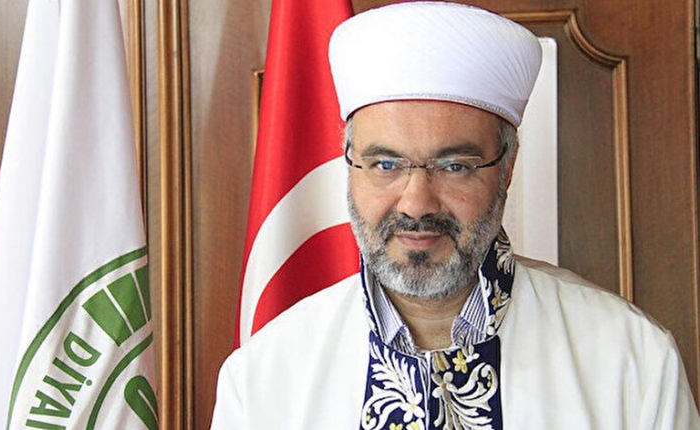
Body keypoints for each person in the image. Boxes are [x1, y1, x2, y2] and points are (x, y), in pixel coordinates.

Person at [211, 2, 700, 429]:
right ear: (350, 167)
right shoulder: (263, 377)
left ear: (506, 168)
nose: (416, 204)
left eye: (454, 166)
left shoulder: (632, 361)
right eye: (386, 165)